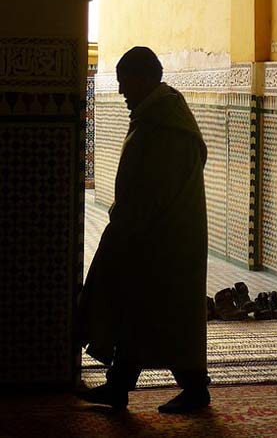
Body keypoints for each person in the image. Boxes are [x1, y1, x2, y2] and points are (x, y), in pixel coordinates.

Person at [77, 46, 210, 413]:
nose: (121, 92)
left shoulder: (164, 123)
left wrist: (128, 226)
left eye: (124, 83)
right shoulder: (159, 115)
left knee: (169, 314)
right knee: (140, 311)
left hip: (166, 239)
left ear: (145, 79)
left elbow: (154, 188)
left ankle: (195, 391)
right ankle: (119, 387)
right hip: (156, 234)